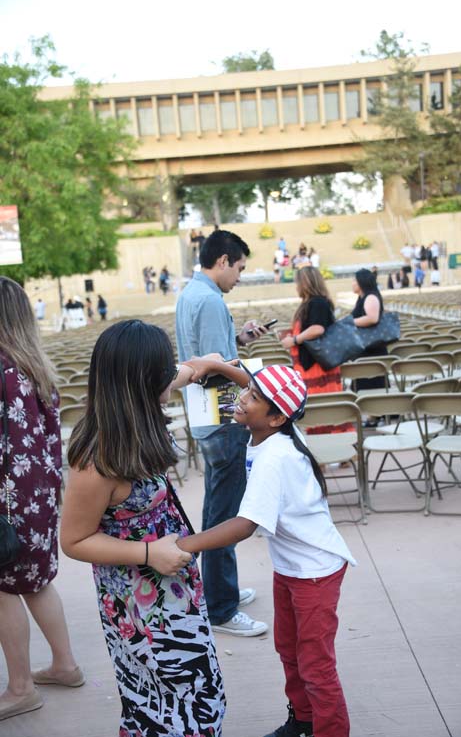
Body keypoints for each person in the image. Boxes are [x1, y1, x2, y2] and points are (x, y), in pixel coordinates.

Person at [60, 320, 236, 736]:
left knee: (196, 686)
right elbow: (73, 540)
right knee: (163, 701)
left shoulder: (137, 408)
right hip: (139, 602)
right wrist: (147, 553)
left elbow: (187, 370)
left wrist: (208, 363)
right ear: (140, 382)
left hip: (173, 582)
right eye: (163, 372)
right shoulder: (96, 459)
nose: (171, 379)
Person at [176, 363, 356, 737]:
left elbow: (244, 525)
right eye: (248, 390)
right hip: (292, 568)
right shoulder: (278, 428)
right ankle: (304, 721)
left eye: (253, 398)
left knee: (316, 665)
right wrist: (220, 367)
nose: (242, 398)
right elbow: (264, 392)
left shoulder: (276, 456)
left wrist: (185, 545)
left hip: (315, 573)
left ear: (274, 417)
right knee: (289, 650)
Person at [176, 229, 269, 637]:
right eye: (240, 268)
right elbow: (217, 368)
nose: (239, 277)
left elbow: (207, 358)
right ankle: (221, 607)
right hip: (223, 416)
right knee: (224, 515)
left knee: (219, 508)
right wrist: (248, 373)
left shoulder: (190, 294)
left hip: (206, 417)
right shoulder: (211, 300)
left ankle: (220, 589)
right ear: (223, 260)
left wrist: (239, 340)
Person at [0, 277, 83, 723]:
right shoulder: (35, 367)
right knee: (35, 581)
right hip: (39, 494)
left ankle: (20, 688)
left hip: (7, 501)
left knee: (2, 588)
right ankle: (65, 665)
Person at [280, 266, 352, 435]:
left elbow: (318, 329)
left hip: (316, 365)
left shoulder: (317, 302)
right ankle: (329, 451)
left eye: (298, 282)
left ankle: (337, 450)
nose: (296, 286)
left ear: (306, 283)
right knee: (319, 410)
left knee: (324, 409)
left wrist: (294, 339)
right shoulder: (312, 303)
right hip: (309, 363)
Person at [352, 268, 388, 427]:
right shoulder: (362, 297)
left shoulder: (371, 297)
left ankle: (376, 415)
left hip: (372, 349)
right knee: (366, 381)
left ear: (362, 282)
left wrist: (349, 322)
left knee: (373, 381)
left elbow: (372, 318)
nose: (352, 283)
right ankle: (374, 415)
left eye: (355, 280)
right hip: (365, 347)